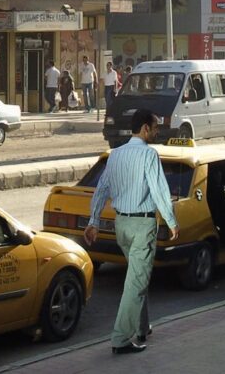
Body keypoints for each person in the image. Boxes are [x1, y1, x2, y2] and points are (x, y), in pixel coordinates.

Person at [83, 109, 180, 354]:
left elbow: (101, 189)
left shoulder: (116, 155)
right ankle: (121, 339)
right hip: (142, 225)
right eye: (155, 127)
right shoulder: (149, 154)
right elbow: (159, 189)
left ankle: (142, 326)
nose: (157, 131)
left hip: (121, 225)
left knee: (137, 277)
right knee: (136, 282)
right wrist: (171, 220)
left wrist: (94, 221)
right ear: (145, 128)